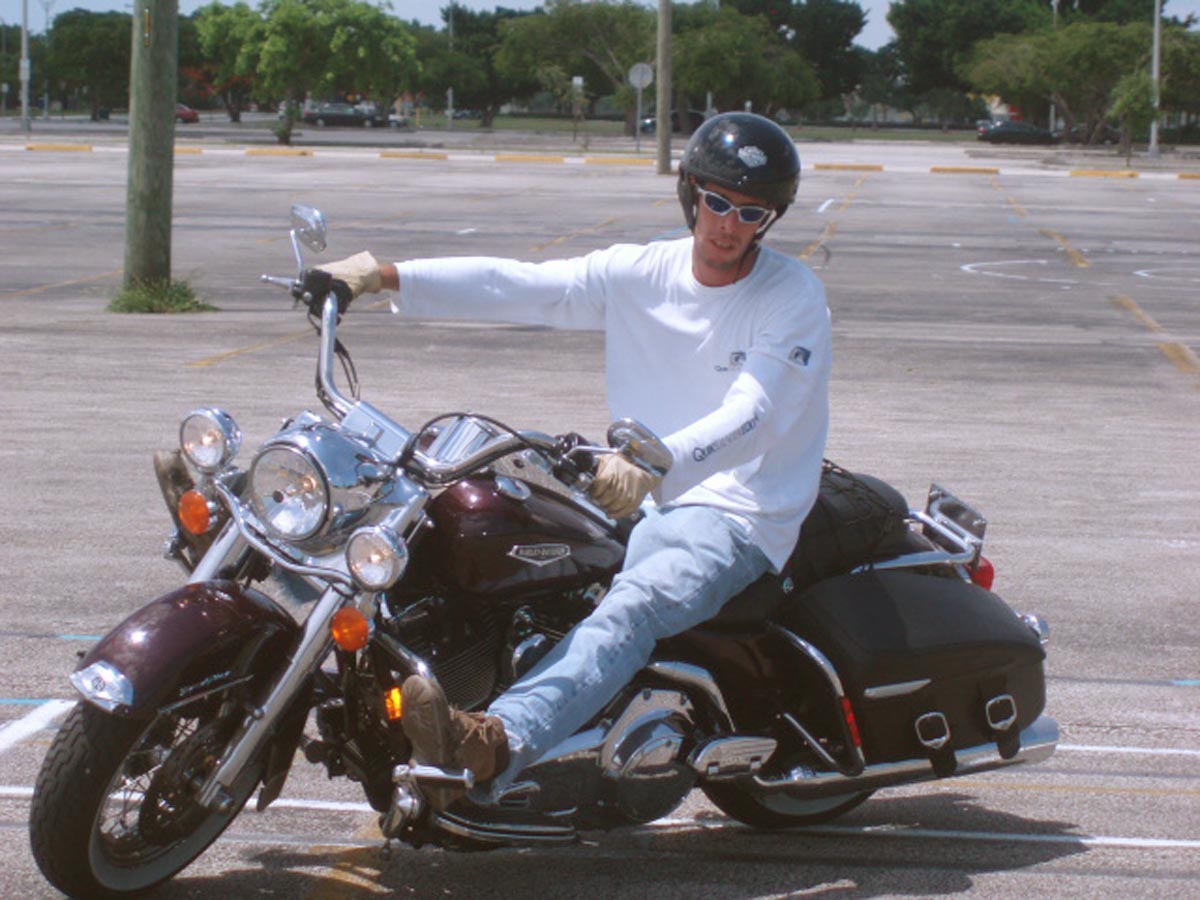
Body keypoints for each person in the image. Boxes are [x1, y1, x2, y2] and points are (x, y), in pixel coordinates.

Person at [162, 112, 832, 810]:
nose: (728, 225)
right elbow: (521, 284)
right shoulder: (645, 271)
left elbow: (756, 412)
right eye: (718, 201)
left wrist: (659, 463)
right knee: (435, 515)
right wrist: (380, 276)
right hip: (631, 478)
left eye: (750, 212)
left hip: (736, 509)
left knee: (632, 610)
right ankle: (258, 551)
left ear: (771, 219)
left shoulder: (790, 296)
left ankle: (494, 740)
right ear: (692, 193)